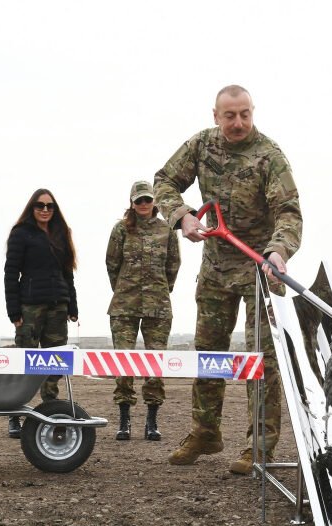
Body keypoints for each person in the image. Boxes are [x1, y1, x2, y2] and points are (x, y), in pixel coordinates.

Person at [154, 85, 302, 474]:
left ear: (253, 112)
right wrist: (182, 215)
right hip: (216, 269)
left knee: (261, 361)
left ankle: (259, 447)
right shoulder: (201, 146)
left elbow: (289, 212)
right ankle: (205, 433)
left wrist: (278, 251)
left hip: (260, 269)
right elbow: (164, 181)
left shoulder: (269, 156)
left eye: (245, 114)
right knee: (210, 355)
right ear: (216, 115)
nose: (238, 123)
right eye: (230, 115)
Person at [106, 180, 180, 441]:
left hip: (157, 307)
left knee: (155, 365)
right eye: (139, 200)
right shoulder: (121, 230)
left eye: (148, 199)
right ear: (132, 203)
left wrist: (159, 291)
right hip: (124, 306)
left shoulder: (167, 230)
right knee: (123, 362)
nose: (144, 204)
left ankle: (151, 421)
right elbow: (112, 265)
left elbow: (173, 266)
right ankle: (124, 420)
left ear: (154, 202)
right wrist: (124, 290)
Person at [4, 189, 78, 438]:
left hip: (58, 307)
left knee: (54, 364)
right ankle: (14, 415)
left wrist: (73, 305)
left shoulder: (61, 233)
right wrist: (13, 310)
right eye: (40, 205)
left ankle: (51, 412)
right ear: (31, 207)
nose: (45, 210)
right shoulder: (20, 233)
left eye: (50, 206)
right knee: (24, 364)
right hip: (29, 307)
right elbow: (10, 273)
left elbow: (68, 272)